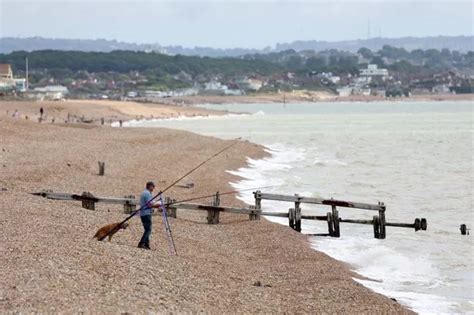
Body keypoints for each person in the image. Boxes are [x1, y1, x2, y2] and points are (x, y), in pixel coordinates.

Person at [138, 181, 161, 249]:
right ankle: (141, 243)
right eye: (153, 186)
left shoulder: (146, 193)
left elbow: (150, 202)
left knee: (147, 229)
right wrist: (157, 206)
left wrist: (156, 204)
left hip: (144, 213)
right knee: (148, 229)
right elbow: (149, 204)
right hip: (146, 213)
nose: (154, 188)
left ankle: (146, 244)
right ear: (150, 186)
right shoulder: (147, 193)